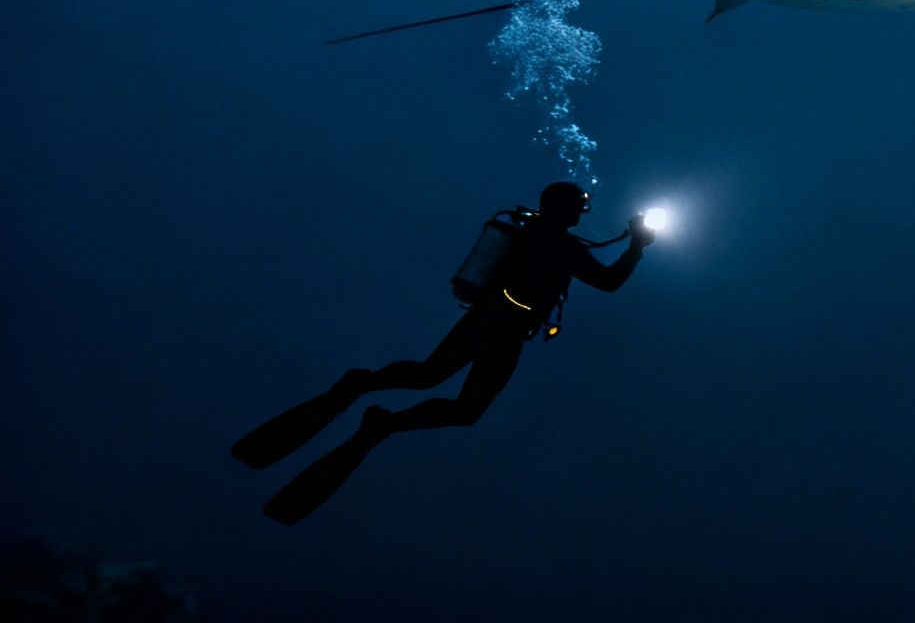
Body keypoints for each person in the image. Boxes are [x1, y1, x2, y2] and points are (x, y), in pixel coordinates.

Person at [233, 181, 654, 524]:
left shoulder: (535, 232)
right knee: (460, 404)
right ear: (565, 209)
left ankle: (366, 393)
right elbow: (609, 283)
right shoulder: (564, 247)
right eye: (579, 205)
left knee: (427, 375)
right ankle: (379, 418)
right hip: (502, 329)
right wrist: (636, 247)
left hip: (486, 318)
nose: (584, 212)